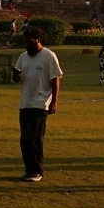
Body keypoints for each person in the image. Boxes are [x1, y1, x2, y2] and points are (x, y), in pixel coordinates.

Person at [11, 26, 62, 182]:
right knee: (25, 139)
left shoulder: (49, 56)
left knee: (35, 138)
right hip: (25, 102)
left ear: (38, 40)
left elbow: (55, 79)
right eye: (25, 42)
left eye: (29, 41)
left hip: (41, 102)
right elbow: (16, 79)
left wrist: (54, 101)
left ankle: (37, 171)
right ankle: (29, 170)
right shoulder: (23, 57)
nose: (26, 44)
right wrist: (14, 75)